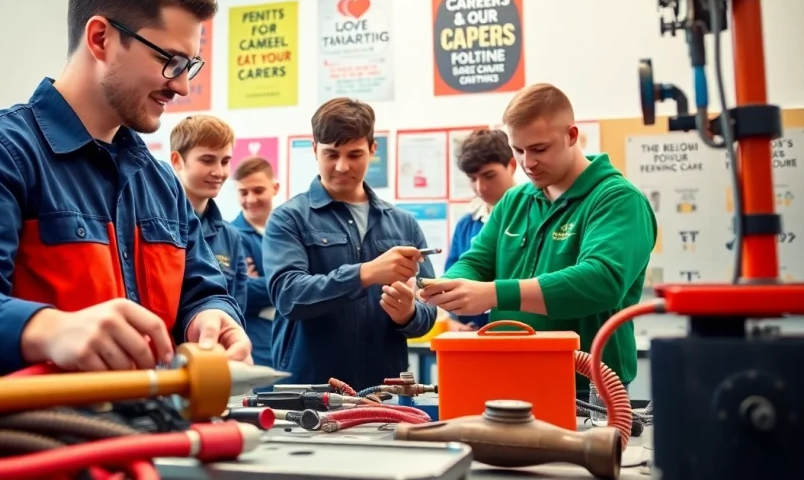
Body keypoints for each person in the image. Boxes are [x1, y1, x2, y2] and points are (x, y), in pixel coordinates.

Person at [0, 0, 250, 379]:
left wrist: (211, 315)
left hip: (144, 434)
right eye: (170, 62)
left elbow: (201, 288)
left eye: (188, 65)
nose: (180, 87)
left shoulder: (160, 183)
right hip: (25, 440)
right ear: (100, 38)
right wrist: (48, 330)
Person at [421, 83, 657, 391]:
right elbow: (476, 263)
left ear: (571, 136)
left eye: (539, 149)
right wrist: (451, 286)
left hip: (586, 387)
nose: (527, 163)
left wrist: (493, 294)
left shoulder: (617, 199)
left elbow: (602, 280)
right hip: (508, 377)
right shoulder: (514, 202)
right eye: (518, 150)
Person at [264, 98, 437, 389]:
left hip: (385, 391)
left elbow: (428, 308)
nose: (342, 166)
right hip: (310, 392)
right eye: (331, 154)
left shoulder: (403, 223)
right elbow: (289, 296)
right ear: (314, 149)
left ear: (372, 149)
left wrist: (408, 314)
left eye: (354, 154)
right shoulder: (288, 219)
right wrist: (364, 274)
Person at [169, 115, 258, 315]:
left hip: (212, 345)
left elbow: (235, 312)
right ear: (177, 161)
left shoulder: (231, 237)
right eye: (207, 160)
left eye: (225, 161)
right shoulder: (153, 227)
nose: (219, 172)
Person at [443, 129, 517, 330]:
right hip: (473, 339)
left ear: (512, 165)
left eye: (489, 176)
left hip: (522, 335)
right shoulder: (466, 224)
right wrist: (452, 322)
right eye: (472, 179)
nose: (480, 188)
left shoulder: (534, 216)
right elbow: (452, 276)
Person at [231, 156, 280, 367]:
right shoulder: (232, 235)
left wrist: (262, 281)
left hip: (291, 338)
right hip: (257, 342)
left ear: (275, 188)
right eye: (243, 192)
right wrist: (292, 282)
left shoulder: (289, 231)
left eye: (258, 190)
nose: (250, 199)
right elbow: (242, 291)